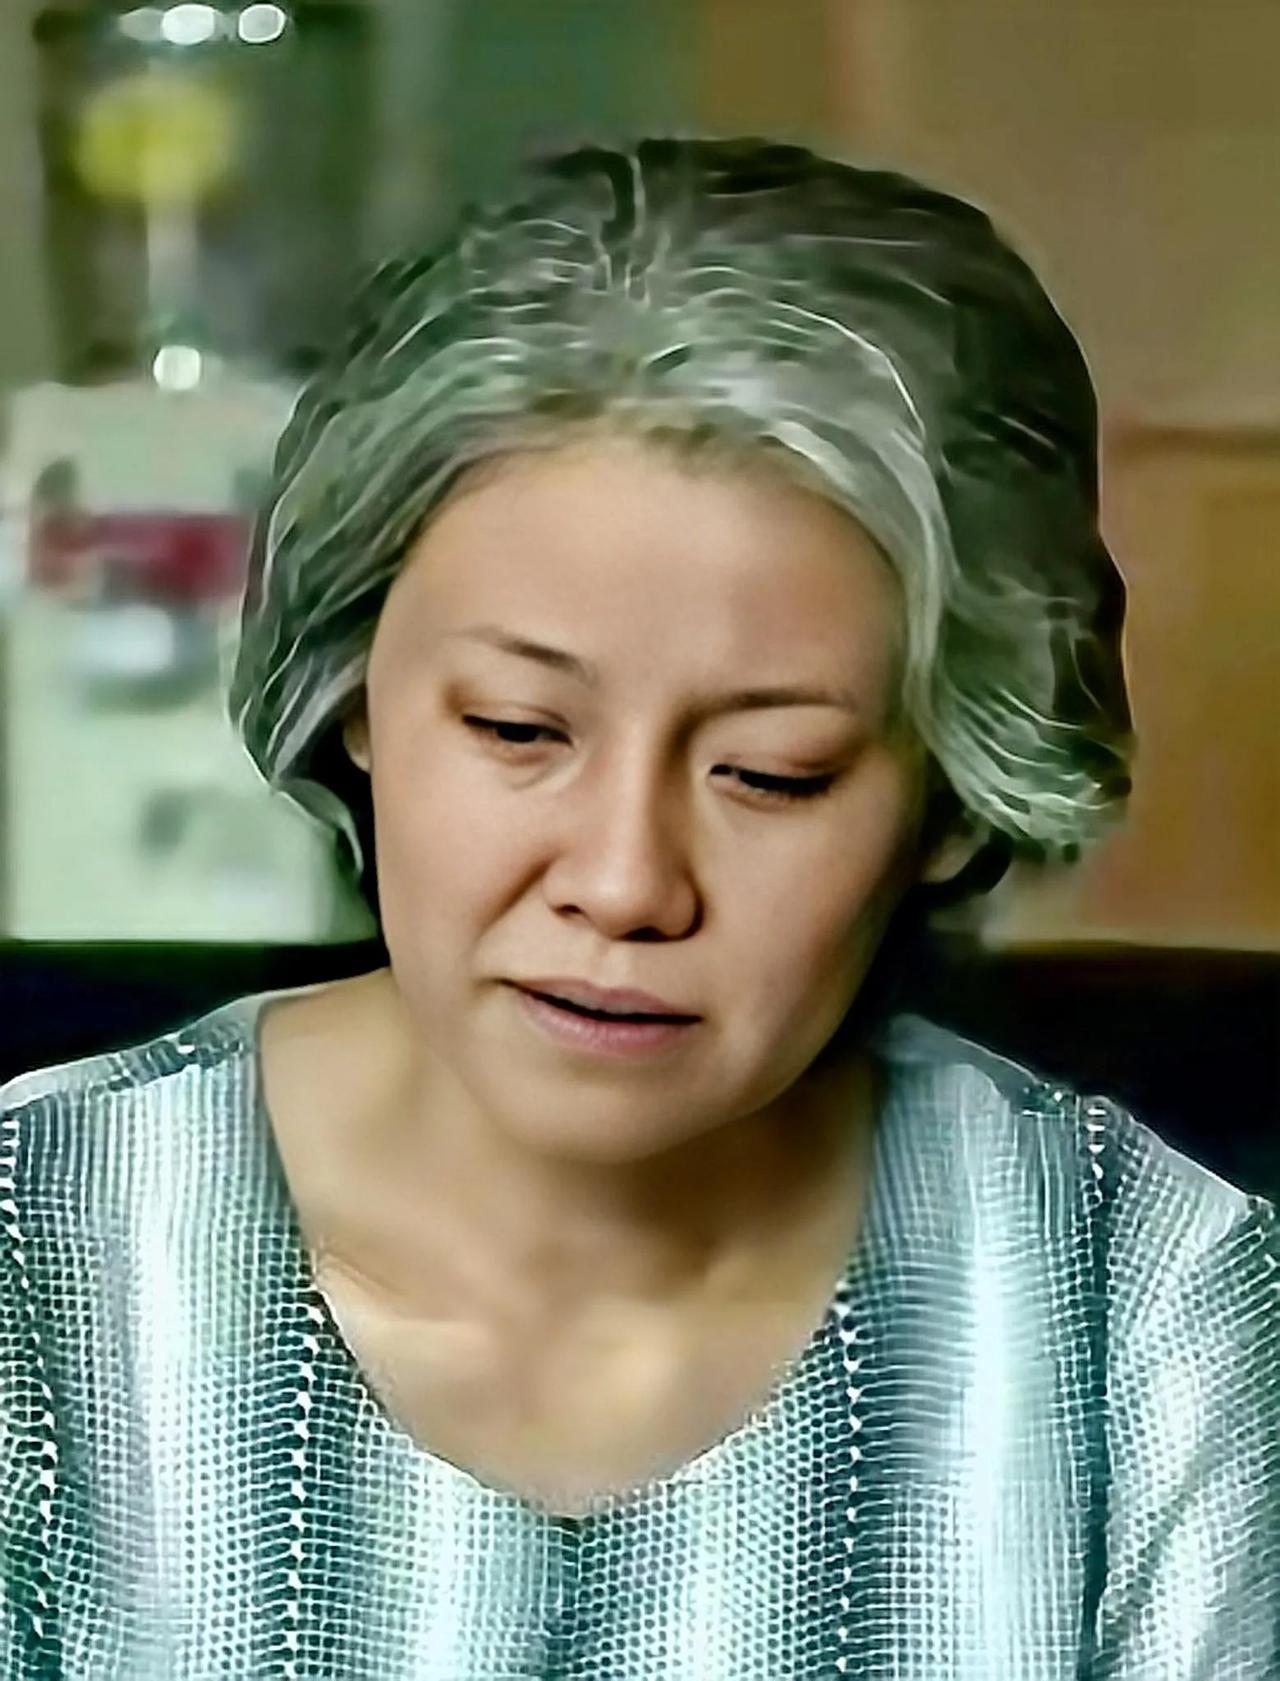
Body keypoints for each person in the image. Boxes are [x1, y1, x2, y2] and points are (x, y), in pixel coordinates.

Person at [1, 136, 1275, 1677]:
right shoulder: (36, 1256)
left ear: (950, 795)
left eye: (773, 774)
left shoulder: (1141, 1309)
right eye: (518, 730)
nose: (621, 883)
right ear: (353, 695)